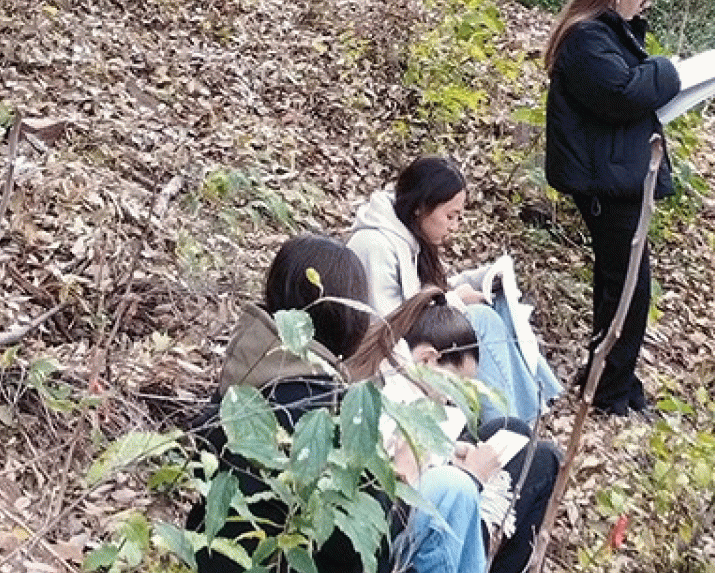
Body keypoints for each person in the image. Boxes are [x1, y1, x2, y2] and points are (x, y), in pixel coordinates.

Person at [187, 235, 490, 573]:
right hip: (283, 558)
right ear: (349, 317)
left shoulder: (248, 369)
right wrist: (404, 474)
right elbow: (363, 553)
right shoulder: (327, 407)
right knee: (456, 490)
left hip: (216, 555)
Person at [542, 0, 681, 416]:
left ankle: (609, 380)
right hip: (606, 183)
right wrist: (665, 70)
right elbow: (624, 94)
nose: (646, 3)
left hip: (615, 176)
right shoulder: (586, 39)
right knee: (627, 290)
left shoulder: (606, 34)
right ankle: (607, 391)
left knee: (623, 287)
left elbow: (632, 87)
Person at [347, 157, 560, 423]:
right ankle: (505, 427)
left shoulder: (409, 238)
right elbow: (385, 325)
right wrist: (454, 302)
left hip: (410, 342)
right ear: (420, 207)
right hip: (384, 359)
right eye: (450, 216)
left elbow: (421, 294)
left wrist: (477, 280)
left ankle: (521, 419)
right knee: (482, 320)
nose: (455, 227)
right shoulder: (376, 244)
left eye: (459, 217)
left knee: (497, 306)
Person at [400, 297, 560, 573]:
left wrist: (451, 453)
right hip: (427, 538)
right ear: (427, 359)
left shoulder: (395, 379)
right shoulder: (400, 404)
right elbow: (404, 498)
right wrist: (472, 477)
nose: (451, 401)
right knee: (547, 460)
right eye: (455, 386)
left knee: (513, 428)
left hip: (432, 495)